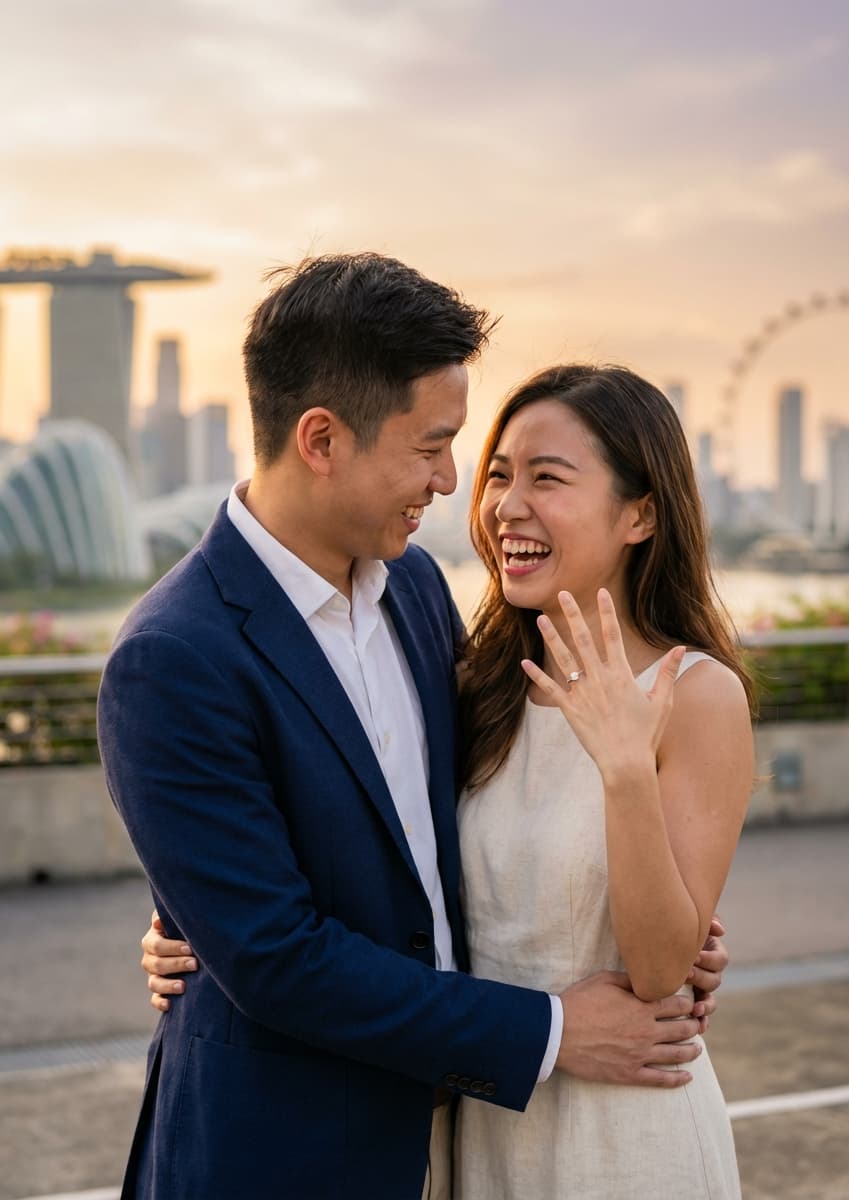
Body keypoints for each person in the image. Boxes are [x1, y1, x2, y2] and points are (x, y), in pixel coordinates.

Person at [103, 252, 728, 1200]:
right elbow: (274, 957)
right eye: (433, 446)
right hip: (284, 1156)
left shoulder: (420, 595)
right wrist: (556, 1028)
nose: (451, 484)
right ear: (322, 439)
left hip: (464, 1144)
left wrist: (666, 931)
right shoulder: (172, 655)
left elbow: (425, 849)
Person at [452, 363, 754, 1197]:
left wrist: (625, 770)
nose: (508, 505)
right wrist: (195, 929)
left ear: (640, 514)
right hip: (483, 1125)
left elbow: (662, 971)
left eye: (547, 478)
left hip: (626, 1140)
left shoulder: (698, 695)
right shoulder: (473, 685)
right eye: (499, 475)